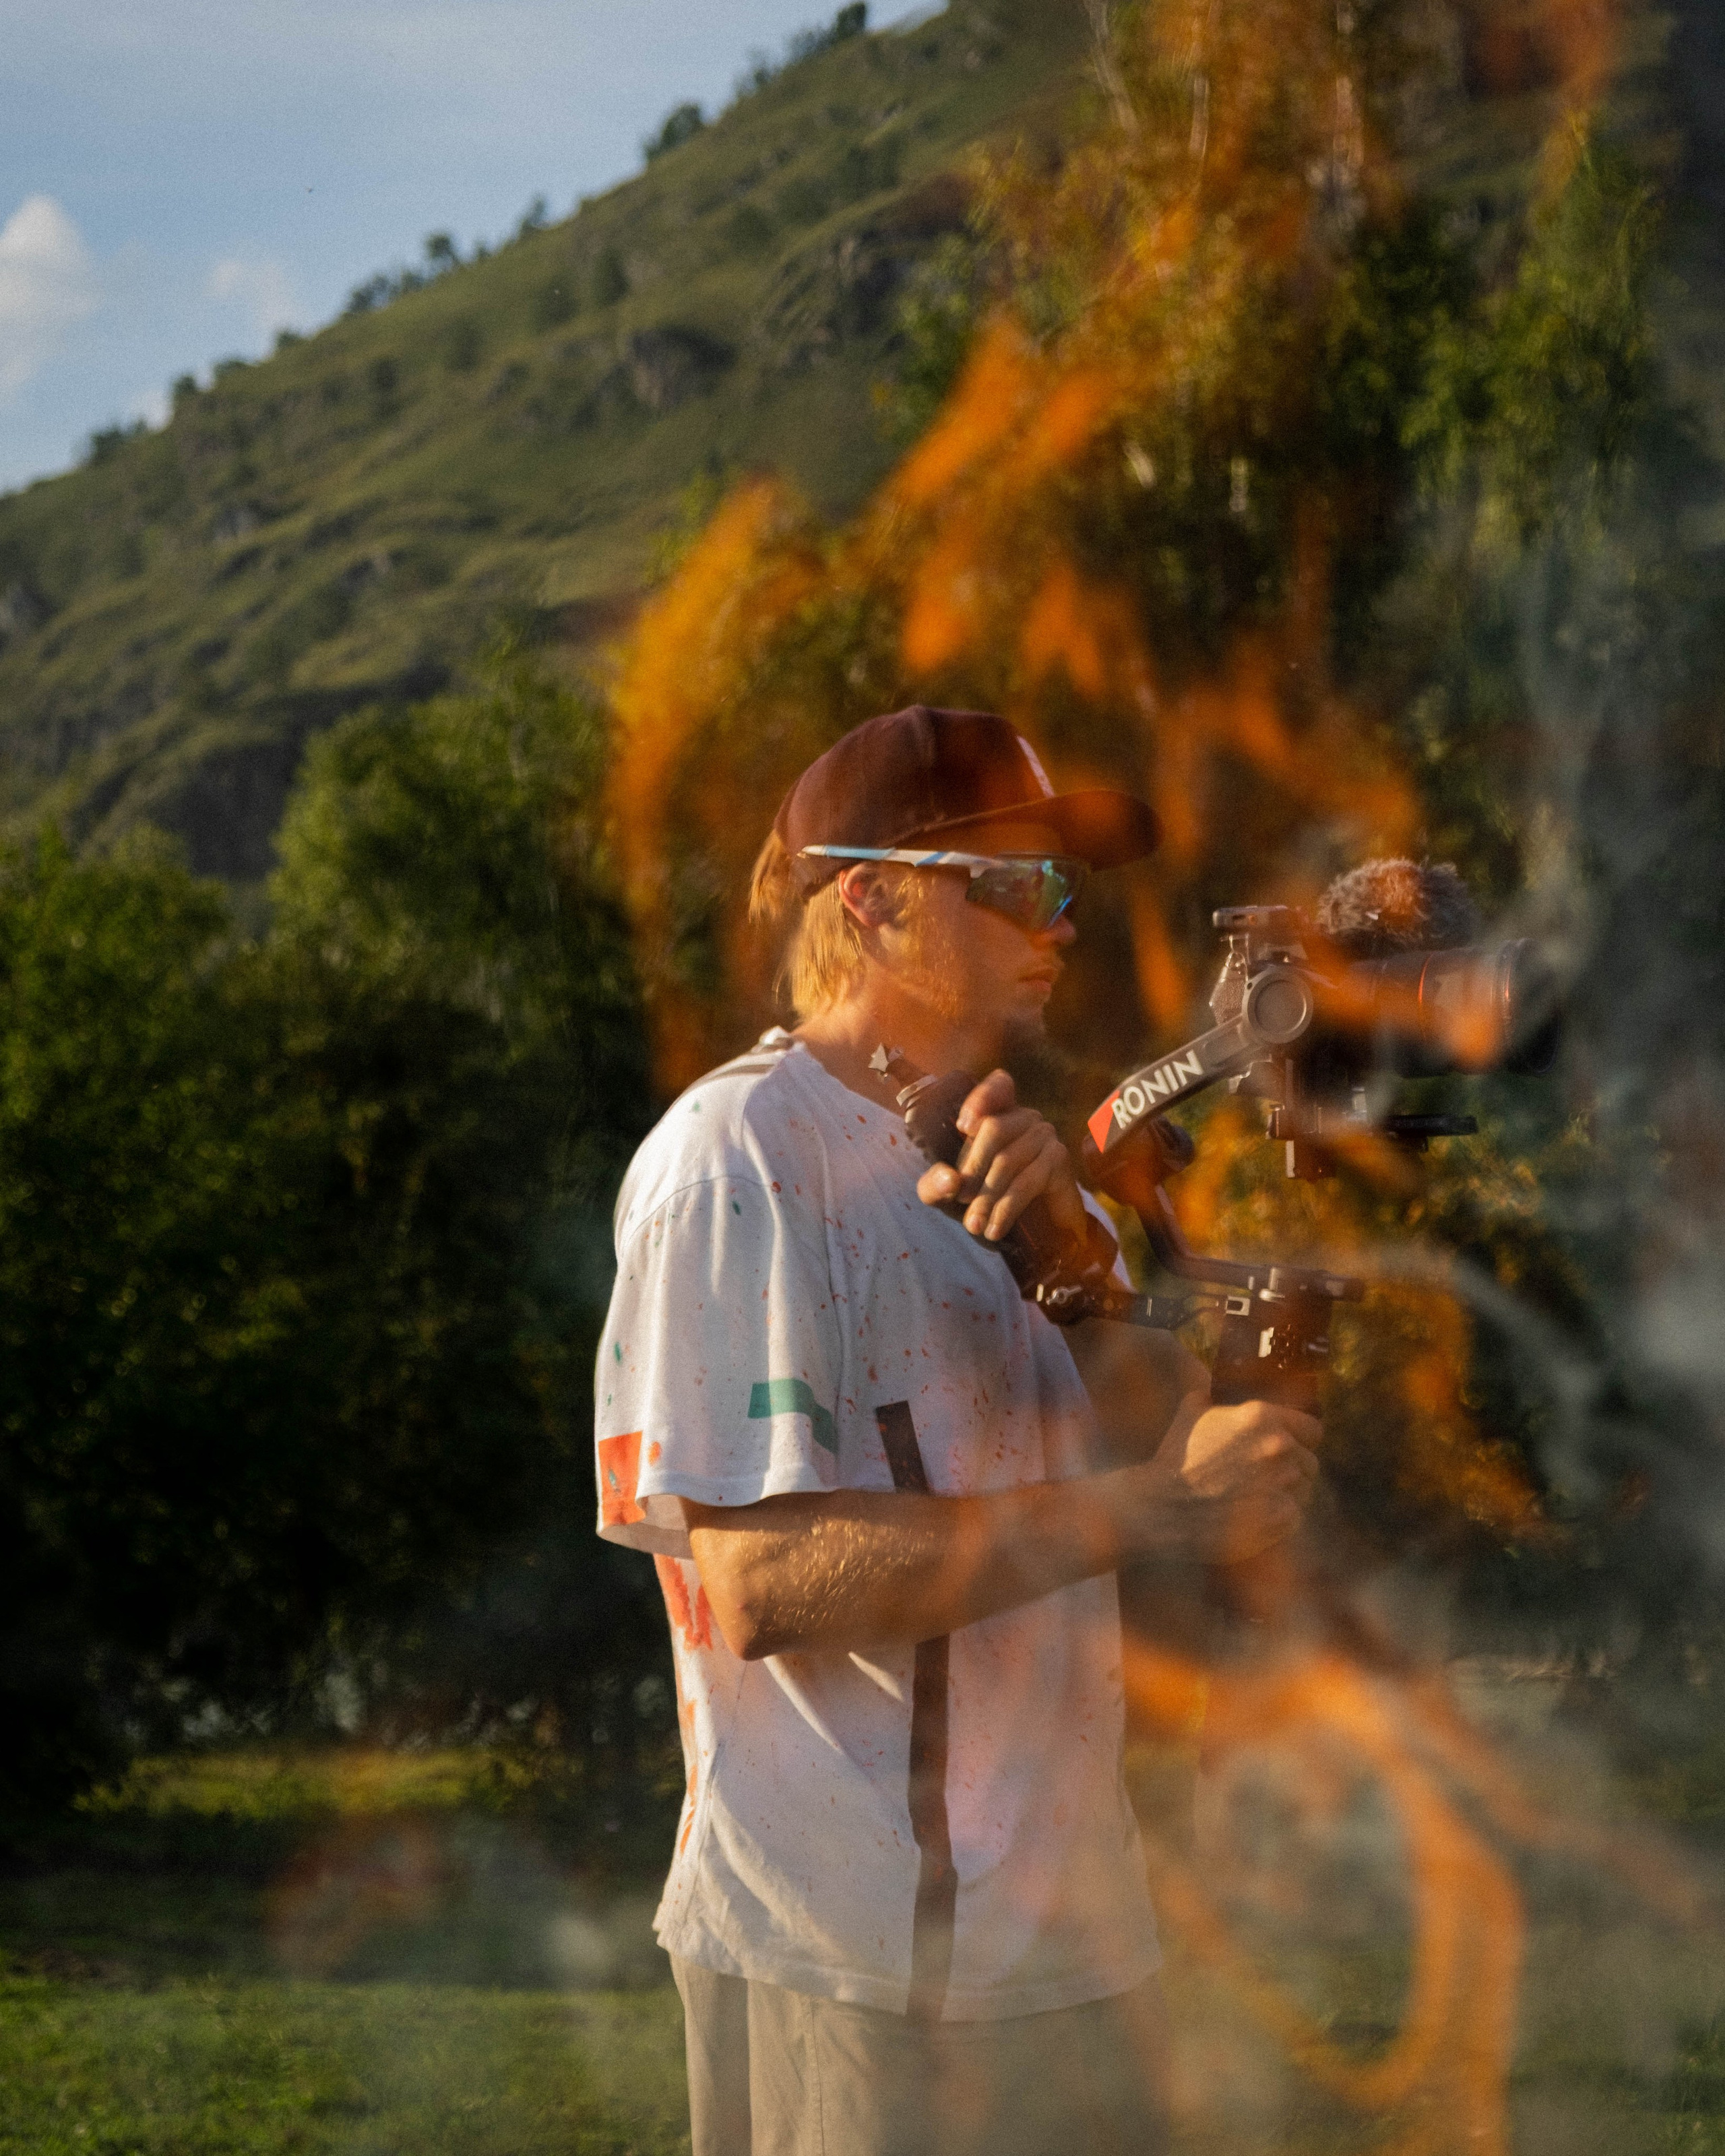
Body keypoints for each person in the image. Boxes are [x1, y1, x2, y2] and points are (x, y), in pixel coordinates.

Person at [594, 705, 1319, 2156]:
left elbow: (1162, 1449)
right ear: (869, 898)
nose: (1056, 922)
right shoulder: (738, 1160)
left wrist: (1081, 1275)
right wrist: (1153, 1511)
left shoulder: (991, 1152)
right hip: (855, 1965)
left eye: (1065, 887)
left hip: (1072, 1955)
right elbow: (759, 1583)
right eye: (1015, 883)